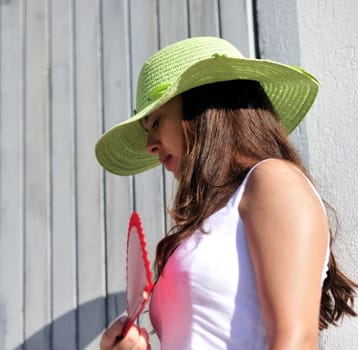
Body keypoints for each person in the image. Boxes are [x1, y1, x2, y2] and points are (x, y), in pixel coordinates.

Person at [95, 37, 357, 350]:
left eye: (157, 121)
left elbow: (296, 341)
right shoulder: (211, 222)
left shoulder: (273, 182)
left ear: (203, 107)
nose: (149, 145)